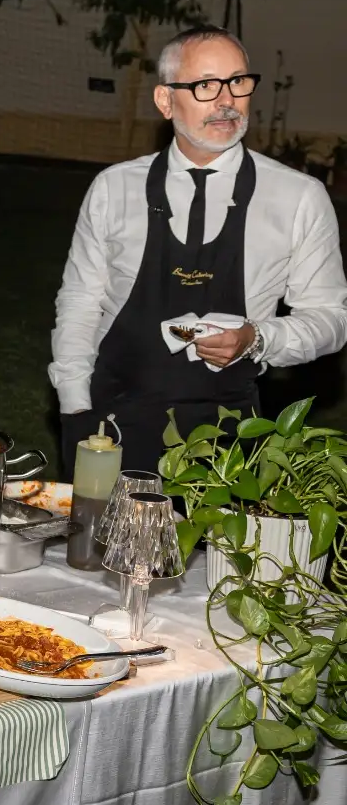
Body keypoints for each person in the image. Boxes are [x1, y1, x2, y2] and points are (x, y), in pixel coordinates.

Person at [50, 25, 347, 476]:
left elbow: (331, 319)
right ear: (166, 100)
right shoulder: (114, 188)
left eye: (238, 82)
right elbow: (80, 302)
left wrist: (258, 338)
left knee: (212, 551)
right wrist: (74, 409)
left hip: (227, 443)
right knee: (103, 548)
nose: (227, 100)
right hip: (111, 426)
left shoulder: (298, 197)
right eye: (206, 86)